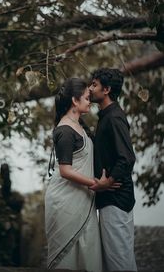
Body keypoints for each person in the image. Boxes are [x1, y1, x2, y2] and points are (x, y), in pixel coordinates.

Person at [44, 78, 120, 271]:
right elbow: (65, 170)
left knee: (88, 255)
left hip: (82, 200)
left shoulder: (79, 126)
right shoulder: (65, 130)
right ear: (75, 101)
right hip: (65, 203)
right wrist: (98, 184)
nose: (90, 100)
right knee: (67, 261)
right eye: (86, 98)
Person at [89, 68, 137, 272]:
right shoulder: (106, 116)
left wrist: (108, 182)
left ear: (106, 89)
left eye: (94, 85)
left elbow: (126, 158)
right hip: (112, 199)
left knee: (119, 261)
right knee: (117, 259)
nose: (90, 89)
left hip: (116, 198)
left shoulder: (114, 117)